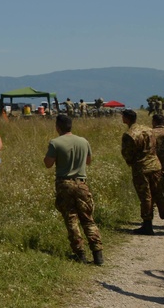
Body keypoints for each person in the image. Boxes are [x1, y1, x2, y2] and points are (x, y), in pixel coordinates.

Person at [44, 113, 103, 265]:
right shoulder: (83, 141)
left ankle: (80, 253)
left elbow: (48, 163)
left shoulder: (55, 143)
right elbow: (89, 161)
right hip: (82, 184)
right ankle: (98, 254)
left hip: (65, 184)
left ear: (58, 127)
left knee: (71, 219)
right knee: (88, 219)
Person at [121, 108, 164, 235]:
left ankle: (147, 225)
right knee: (159, 194)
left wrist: (131, 162)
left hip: (141, 167)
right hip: (155, 164)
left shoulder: (130, 134)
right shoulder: (148, 129)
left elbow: (127, 153)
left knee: (146, 196)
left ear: (126, 119)